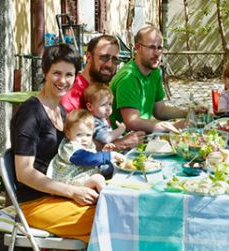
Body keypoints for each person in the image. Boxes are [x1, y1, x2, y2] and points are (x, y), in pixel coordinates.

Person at [10, 44, 96, 242]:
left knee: (112, 205)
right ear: (45, 72)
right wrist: (73, 191)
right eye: (57, 73)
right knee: (105, 220)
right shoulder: (31, 113)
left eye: (69, 75)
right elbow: (24, 173)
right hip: (34, 204)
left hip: (56, 197)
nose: (63, 80)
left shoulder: (62, 112)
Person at [110, 25, 206, 133]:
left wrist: (189, 113)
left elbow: (160, 110)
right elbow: (132, 122)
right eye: (151, 47)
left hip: (141, 136)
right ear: (137, 48)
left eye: (159, 48)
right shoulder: (128, 78)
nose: (157, 53)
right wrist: (172, 126)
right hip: (122, 142)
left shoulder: (154, 71)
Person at [60, 34, 145, 151]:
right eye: (104, 58)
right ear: (88, 57)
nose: (110, 65)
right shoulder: (72, 94)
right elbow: (70, 144)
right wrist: (120, 144)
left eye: (115, 60)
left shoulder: (102, 89)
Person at [47, 109, 125, 192]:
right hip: (69, 180)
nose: (84, 139)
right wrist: (110, 155)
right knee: (98, 179)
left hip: (82, 175)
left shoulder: (86, 144)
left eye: (88, 135)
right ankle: (106, 198)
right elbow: (87, 159)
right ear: (68, 134)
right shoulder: (70, 147)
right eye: (79, 135)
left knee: (112, 168)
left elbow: (92, 157)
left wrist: (103, 152)